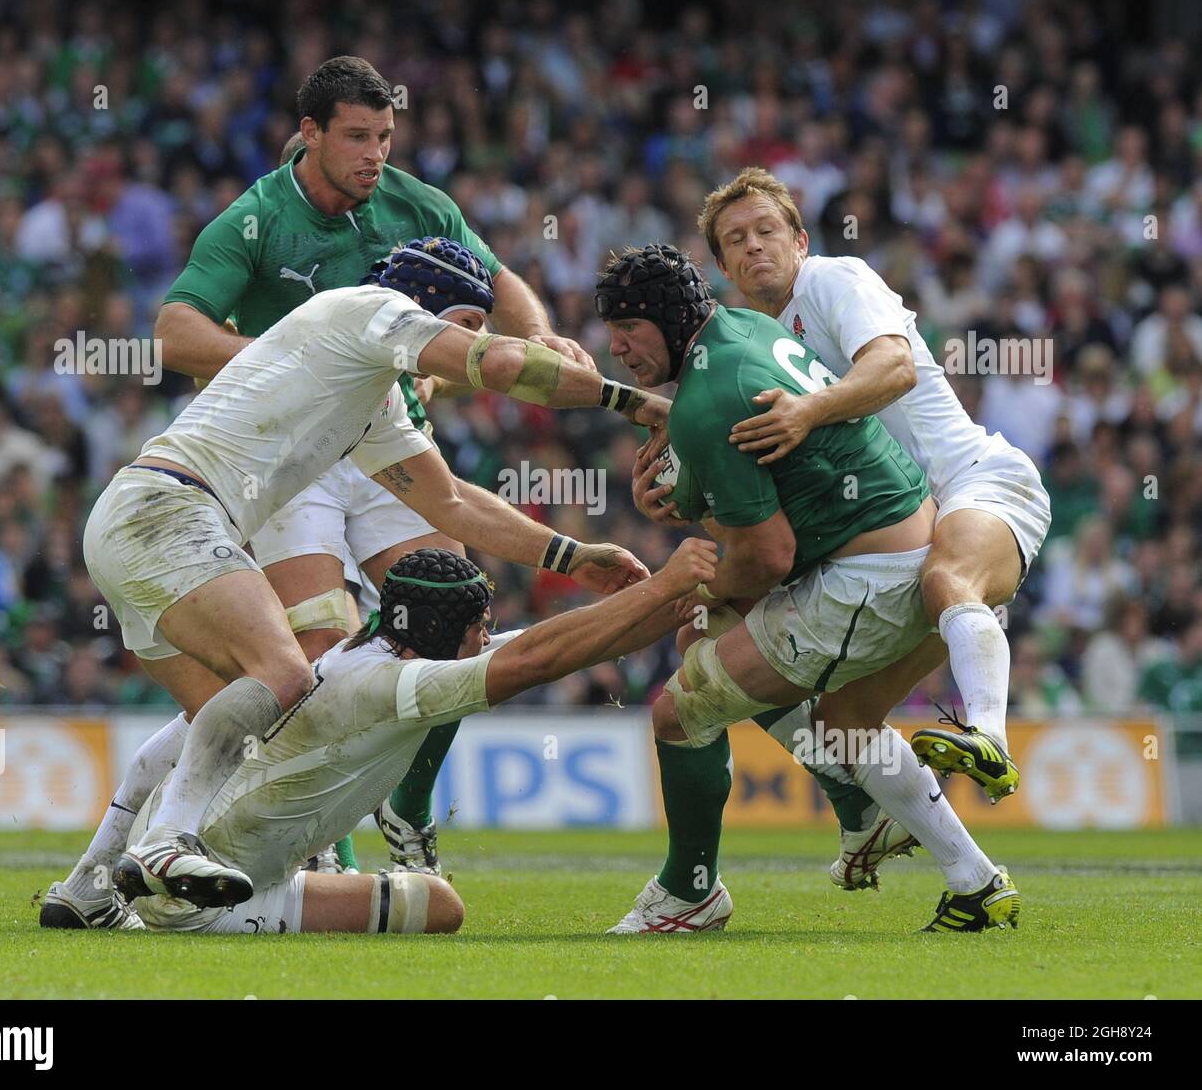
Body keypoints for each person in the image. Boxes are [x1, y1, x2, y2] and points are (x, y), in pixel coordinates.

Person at [40, 244, 667, 928]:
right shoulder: (371, 308)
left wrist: (573, 556)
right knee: (286, 673)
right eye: (466, 322)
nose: (471, 342)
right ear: (427, 305)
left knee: (222, 711)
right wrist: (635, 402)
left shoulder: (370, 402)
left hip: (140, 516)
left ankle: (92, 882)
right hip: (170, 510)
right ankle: (168, 840)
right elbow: (505, 365)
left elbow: (450, 504)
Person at [155, 55, 595, 877]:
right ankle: (327, 852)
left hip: (396, 442)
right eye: (357, 137)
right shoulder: (253, 221)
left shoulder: (414, 203)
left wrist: (533, 339)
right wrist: (287, 361)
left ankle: (409, 805)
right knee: (322, 650)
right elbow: (175, 333)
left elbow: (506, 287)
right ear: (310, 134)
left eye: (385, 136)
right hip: (297, 460)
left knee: (455, 626)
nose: (375, 155)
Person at [598, 245, 1020, 935]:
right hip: (906, 545)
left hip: (871, 581)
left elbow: (766, 554)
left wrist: (701, 582)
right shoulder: (748, 330)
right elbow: (779, 504)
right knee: (709, 639)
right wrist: (688, 516)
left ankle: (690, 893)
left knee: (679, 713)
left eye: (629, 326)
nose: (616, 347)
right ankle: (965, 874)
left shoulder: (709, 402)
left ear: (674, 318)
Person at [103, 541, 718, 935]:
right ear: (438, 630)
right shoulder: (395, 685)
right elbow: (535, 661)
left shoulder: (368, 655)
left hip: (191, 847)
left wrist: (675, 604)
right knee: (441, 907)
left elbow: (552, 648)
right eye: (481, 626)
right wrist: (663, 586)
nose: (489, 635)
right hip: (199, 900)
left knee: (425, 899)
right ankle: (200, 906)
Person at [685, 168, 1052, 801]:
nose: (753, 246)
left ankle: (990, 736)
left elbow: (894, 366)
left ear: (800, 241)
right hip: (902, 534)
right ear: (723, 268)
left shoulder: (835, 278)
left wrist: (807, 409)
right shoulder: (751, 344)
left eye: (767, 230)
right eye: (736, 239)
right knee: (842, 727)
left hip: (976, 484)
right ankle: (977, 887)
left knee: (946, 578)